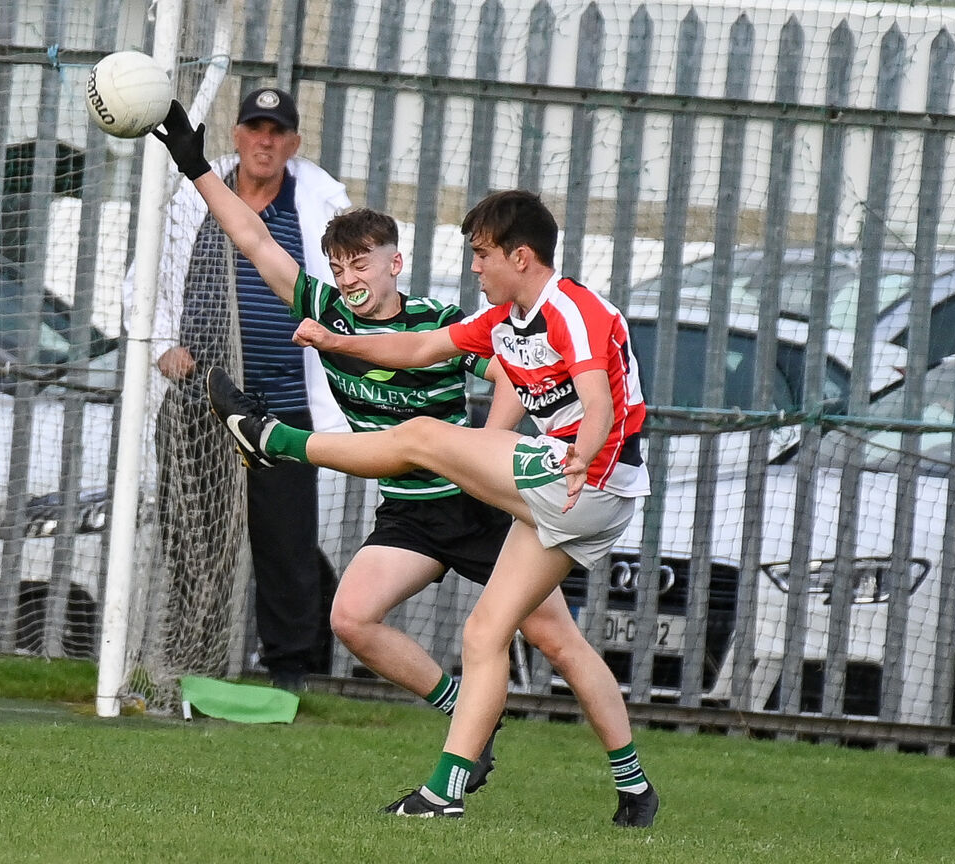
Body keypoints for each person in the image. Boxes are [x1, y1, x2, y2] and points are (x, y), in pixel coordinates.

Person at [151, 101, 655, 818]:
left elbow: (524, 374)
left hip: (480, 499)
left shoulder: (454, 317)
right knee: (352, 618)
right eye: (337, 265)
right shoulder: (333, 314)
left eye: (362, 262)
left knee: (558, 641)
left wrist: (497, 447)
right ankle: (476, 727)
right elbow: (256, 240)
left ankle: (271, 442)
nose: (348, 275)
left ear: (395, 263)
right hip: (412, 514)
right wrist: (197, 167)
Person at [123, 86, 351, 691]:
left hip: (285, 402)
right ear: (237, 135)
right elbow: (148, 278)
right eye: (255, 127)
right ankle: (190, 652)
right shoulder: (193, 195)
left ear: (294, 143)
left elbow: (344, 289)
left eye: (278, 131)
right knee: (192, 535)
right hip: (201, 398)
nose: (265, 141)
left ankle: (289, 669)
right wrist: (162, 345)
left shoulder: (321, 205)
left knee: (285, 542)